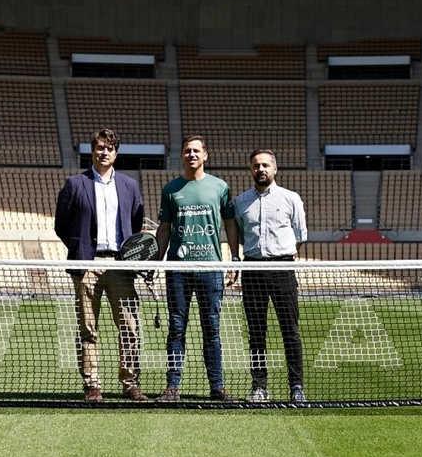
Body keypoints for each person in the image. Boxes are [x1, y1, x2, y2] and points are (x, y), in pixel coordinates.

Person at [54, 128, 148, 402]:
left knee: (129, 326)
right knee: (88, 327)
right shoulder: (75, 184)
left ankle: (130, 383)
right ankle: (92, 385)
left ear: (116, 153)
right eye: (99, 147)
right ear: (92, 150)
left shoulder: (130, 185)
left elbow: (136, 221)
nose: (104, 152)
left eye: (109, 148)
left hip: (120, 264)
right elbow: (62, 224)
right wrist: (81, 247)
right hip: (86, 263)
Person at [154, 135, 241, 402]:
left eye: (196, 151)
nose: (191, 154)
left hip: (211, 268)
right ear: (182, 156)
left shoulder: (220, 187)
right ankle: (172, 387)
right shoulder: (171, 189)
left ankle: (217, 387)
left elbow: (229, 224)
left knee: (211, 328)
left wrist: (234, 258)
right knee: (176, 328)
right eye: (187, 151)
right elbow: (165, 228)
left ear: (205, 155)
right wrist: (155, 261)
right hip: (178, 270)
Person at [234, 150, 308, 403]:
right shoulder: (241, 202)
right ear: (251, 170)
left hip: (283, 269)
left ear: (275, 169)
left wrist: (280, 258)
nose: (261, 169)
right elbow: (243, 236)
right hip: (252, 270)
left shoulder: (291, 198)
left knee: (290, 331)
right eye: (256, 166)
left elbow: (300, 236)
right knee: (256, 333)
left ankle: (296, 387)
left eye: (266, 165)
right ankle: (259, 387)